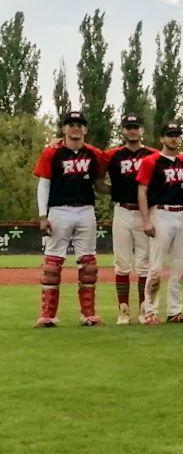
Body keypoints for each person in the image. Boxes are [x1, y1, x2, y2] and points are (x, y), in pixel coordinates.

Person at [33, 110, 107, 327]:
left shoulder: (94, 154)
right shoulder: (52, 153)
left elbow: (103, 180)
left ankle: (88, 315)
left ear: (85, 129)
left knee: (89, 264)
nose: (75, 127)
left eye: (79, 124)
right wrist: (42, 215)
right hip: (59, 210)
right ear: (63, 129)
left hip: (85, 210)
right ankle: (48, 315)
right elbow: (44, 184)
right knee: (52, 266)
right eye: (71, 124)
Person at [136, 122, 183, 324]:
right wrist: (145, 220)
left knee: (179, 266)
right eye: (170, 135)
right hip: (160, 212)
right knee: (156, 266)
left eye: (177, 135)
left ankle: (175, 311)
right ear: (162, 138)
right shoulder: (151, 161)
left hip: (181, 214)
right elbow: (142, 190)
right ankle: (149, 312)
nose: (174, 139)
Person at [102, 113, 157, 324]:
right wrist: (115, 192)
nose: (132, 130)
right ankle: (123, 310)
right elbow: (97, 177)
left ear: (142, 130)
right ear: (123, 130)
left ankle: (145, 309)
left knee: (144, 263)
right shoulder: (112, 155)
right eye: (129, 127)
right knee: (122, 262)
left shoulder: (152, 155)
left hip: (146, 212)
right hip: (123, 210)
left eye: (136, 126)